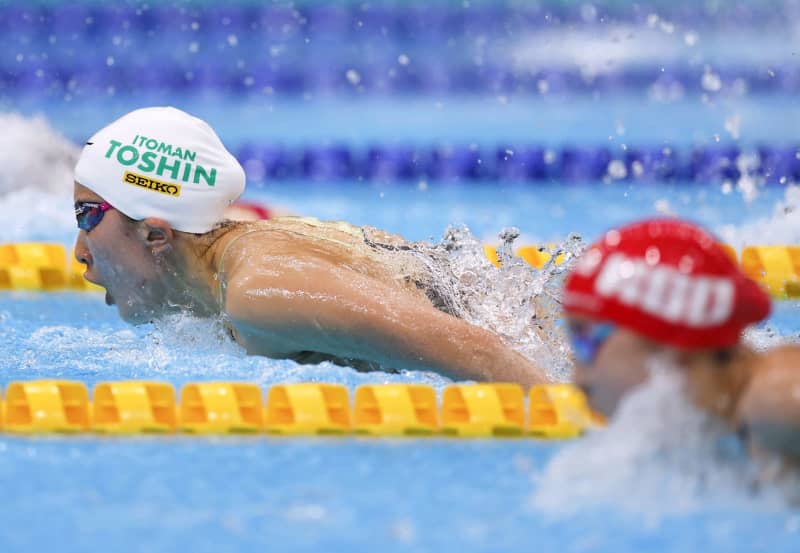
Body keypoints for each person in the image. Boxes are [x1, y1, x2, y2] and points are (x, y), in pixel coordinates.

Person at [72, 106, 547, 385]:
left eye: (87, 217)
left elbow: (483, 352)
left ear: (156, 234)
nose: (79, 251)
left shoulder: (260, 292)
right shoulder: (243, 262)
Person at [562, 218, 800, 463]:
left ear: (671, 343)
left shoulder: (780, 406)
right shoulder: (724, 425)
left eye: (586, 341)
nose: (578, 380)